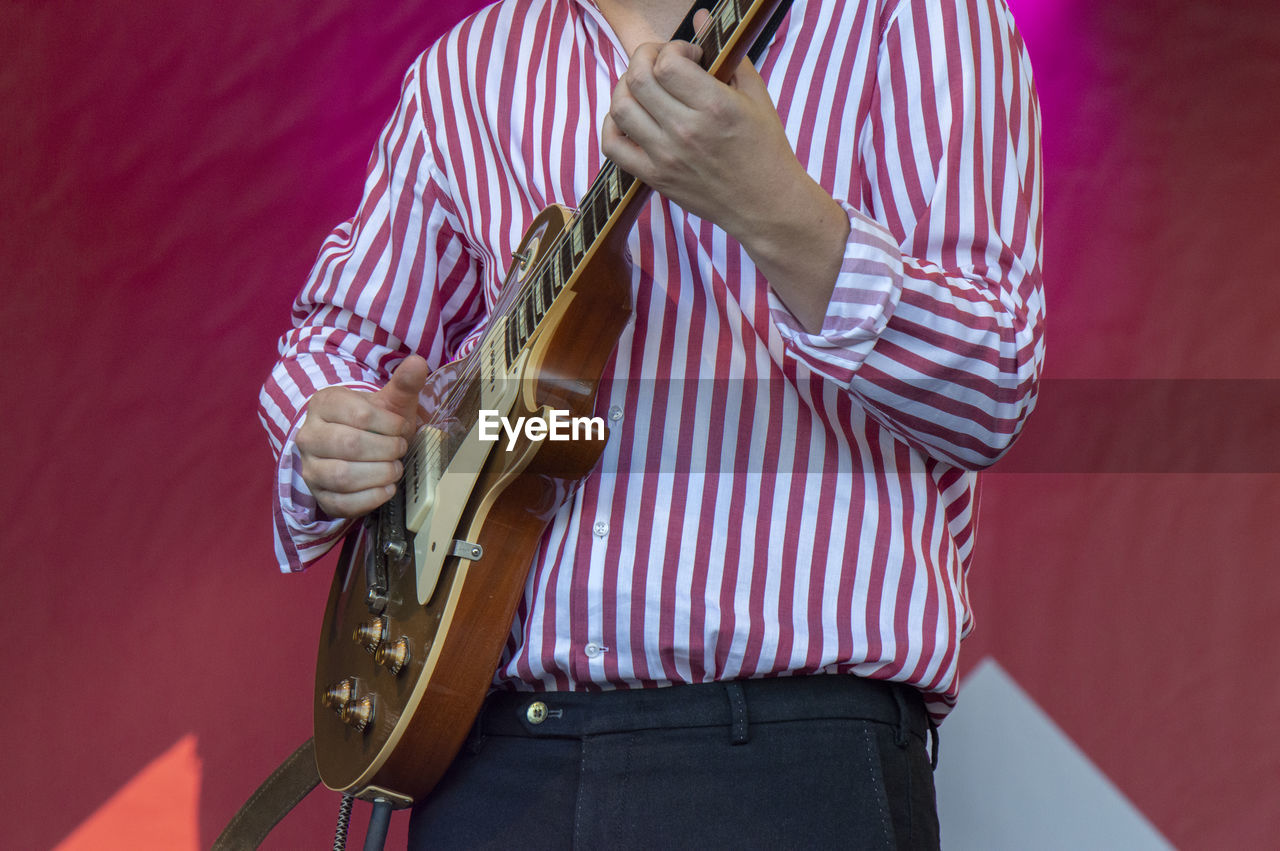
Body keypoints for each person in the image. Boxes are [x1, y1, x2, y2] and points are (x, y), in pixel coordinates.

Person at [259, 0, 1044, 845]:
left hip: (790, 752)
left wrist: (776, 206)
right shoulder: (471, 67)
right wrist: (333, 431)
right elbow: (340, 342)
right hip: (494, 754)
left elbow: (991, 383)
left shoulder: (916, 18)